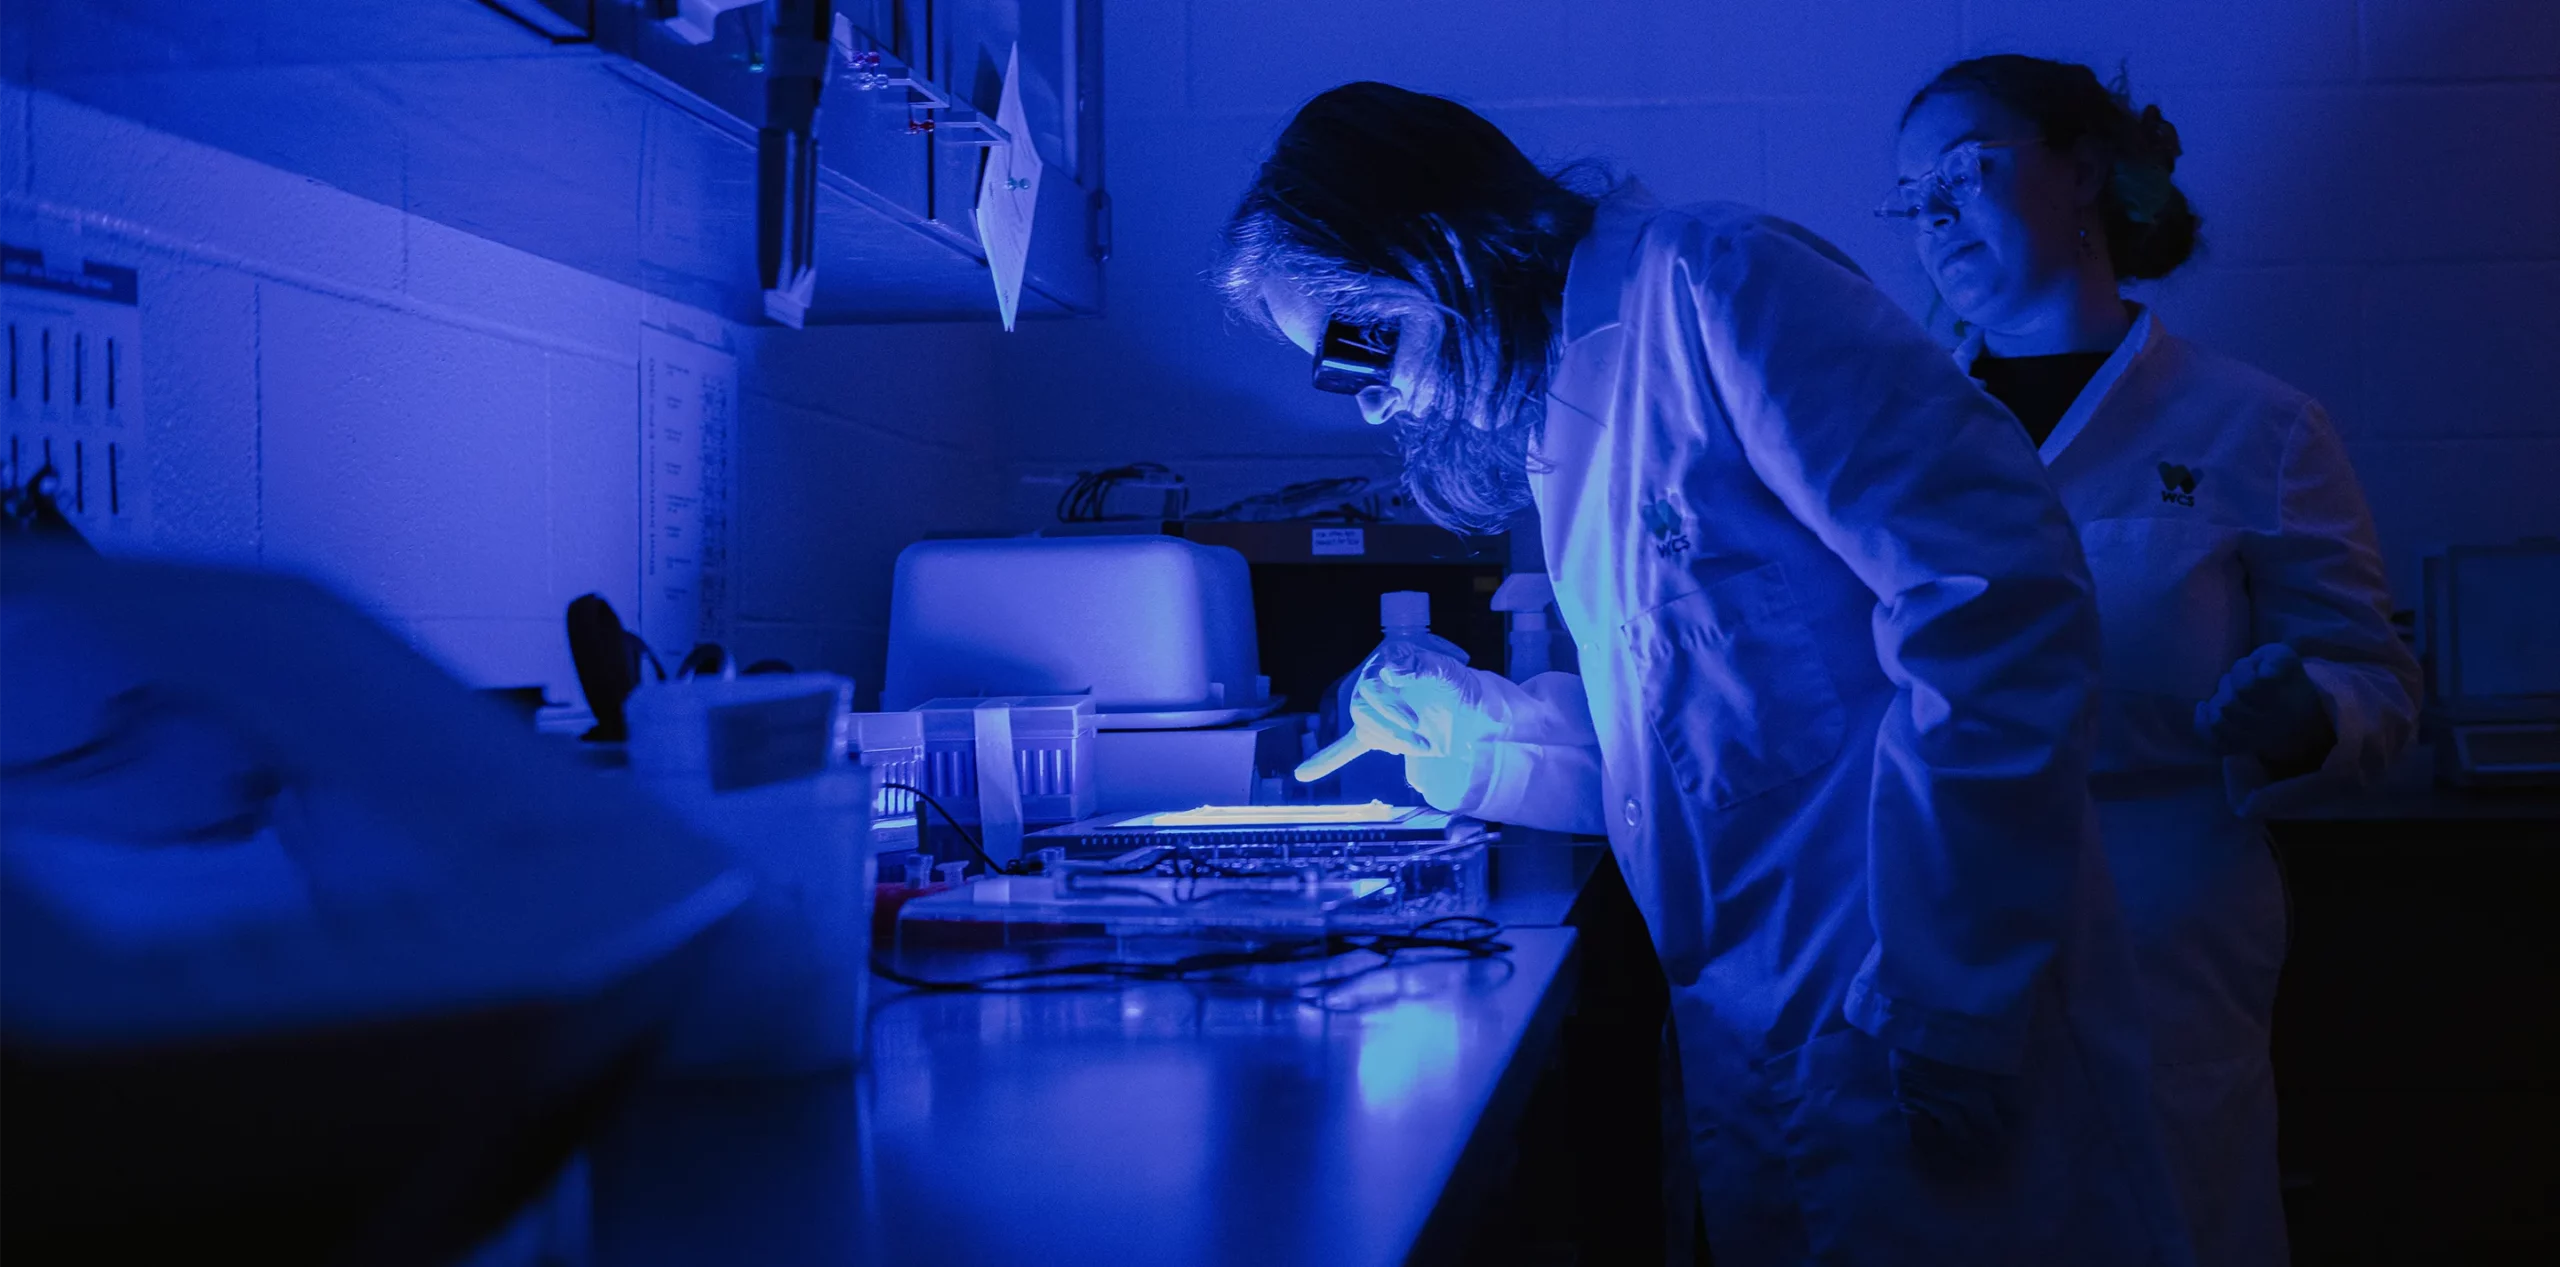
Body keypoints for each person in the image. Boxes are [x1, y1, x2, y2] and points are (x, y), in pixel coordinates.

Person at [1224, 82, 2191, 1265]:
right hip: (1779, 1043)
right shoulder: (1566, 415)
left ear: (1429, 245)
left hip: (1918, 1006)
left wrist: (1954, 993)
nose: (1367, 398)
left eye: (1349, 346)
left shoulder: (1711, 284)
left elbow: (1998, 602)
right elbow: (1689, 747)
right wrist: (1467, 733)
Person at [1885, 56, 2421, 1266]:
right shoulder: (1893, 436)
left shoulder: (2253, 424)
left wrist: (2301, 713)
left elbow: (2376, 686)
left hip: (2163, 913)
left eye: (1962, 172)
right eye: (1907, 193)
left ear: (2082, 174)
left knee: (2171, 1217)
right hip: (1946, 913)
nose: (1930, 215)